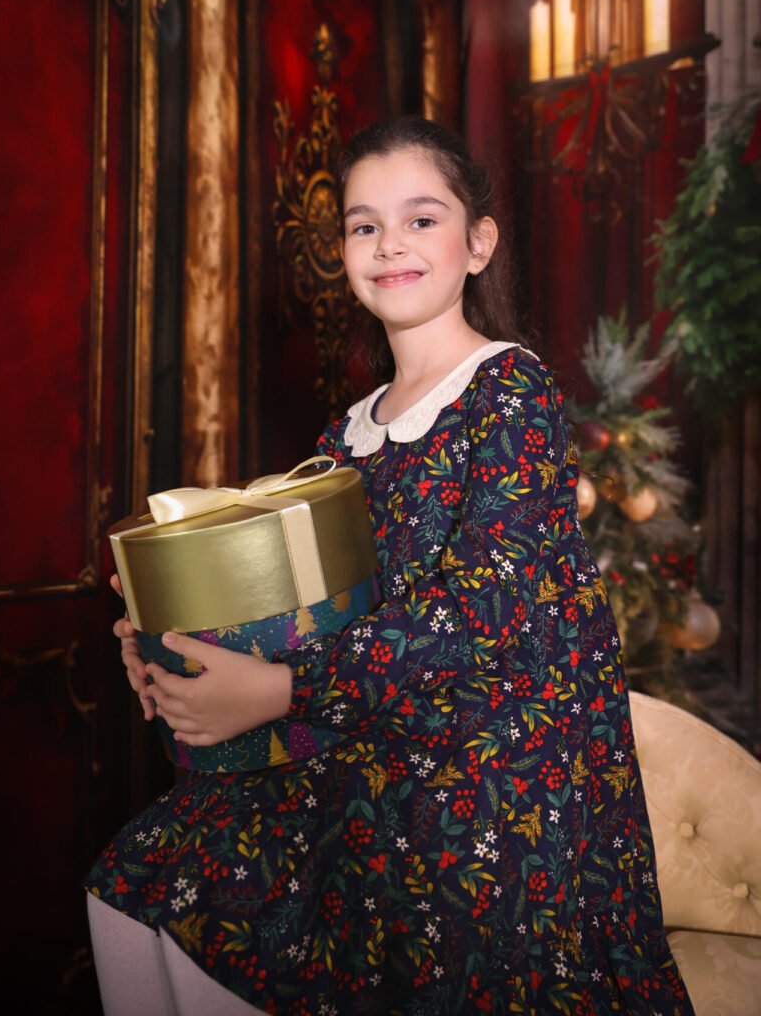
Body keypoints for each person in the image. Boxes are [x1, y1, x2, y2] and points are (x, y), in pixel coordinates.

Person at [85, 116, 694, 1016]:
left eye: (421, 218)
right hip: (372, 741)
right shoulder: (347, 433)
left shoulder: (510, 390)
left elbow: (484, 606)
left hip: (496, 774)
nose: (389, 244)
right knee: (138, 874)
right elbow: (301, 606)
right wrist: (170, 646)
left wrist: (278, 691)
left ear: (478, 243)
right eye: (364, 225)